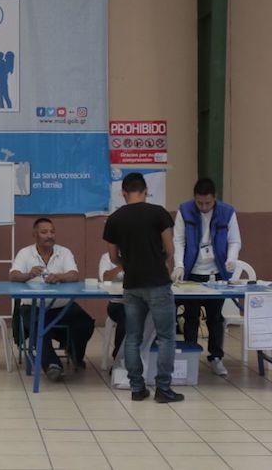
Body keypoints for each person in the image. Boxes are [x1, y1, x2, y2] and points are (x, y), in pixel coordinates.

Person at [103, 172, 183, 403]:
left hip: (132, 285)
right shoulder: (158, 213)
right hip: (157, 282)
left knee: (133, 337)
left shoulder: (114, 219)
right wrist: (158, 260)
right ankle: (163, 389)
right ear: (146, 191)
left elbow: (113, 256)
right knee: (166, 337)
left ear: (124, 193)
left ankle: (137, 387)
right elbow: (170, 249)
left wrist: (127, 263)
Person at [10, 218, 95, 382]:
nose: (49, 235)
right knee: (38, 327)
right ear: (34, 235)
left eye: (52, 231)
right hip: (33, 306)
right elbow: (13, 275)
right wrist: (29, 274)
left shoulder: (64, 252)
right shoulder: (25, 253)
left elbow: (74, 274)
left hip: (62, 305)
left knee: (85, 322)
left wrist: (60, 277)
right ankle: (52, 365)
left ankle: (74, 352)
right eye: (44, 232)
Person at [173, 177, 242, 378]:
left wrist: (231, 259)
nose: (203, 207)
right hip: (192, 273)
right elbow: (178, 240)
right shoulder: (185, 210)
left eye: (208, 203)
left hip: (216, 273)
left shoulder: (227, 212)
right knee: (191, 316)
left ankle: (216, 357)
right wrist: (179, 264)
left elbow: (235, 240)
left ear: (215, 199)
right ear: (194, 198)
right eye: (199, 202)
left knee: (215, 318)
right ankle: (190, 353)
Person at [101, 254, 127, 364]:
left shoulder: (142, 253)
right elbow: (105, 278)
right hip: (118, 303)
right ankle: (119, 359)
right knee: (127, 315)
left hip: (141, 302)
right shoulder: (107, 257)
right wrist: (122, 266)